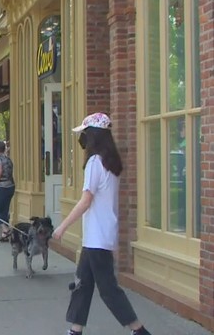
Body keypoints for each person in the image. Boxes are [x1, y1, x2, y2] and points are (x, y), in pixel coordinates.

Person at [53, 113, 151, 335]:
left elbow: (86, 200)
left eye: (84, 135)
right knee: (82, 284)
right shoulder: (110, 163)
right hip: (98, 235)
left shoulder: (95, 163)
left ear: (93, 136)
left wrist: (63, 226)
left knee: (108, 289)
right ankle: (75, 330)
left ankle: (139, 330)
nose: (82, 140)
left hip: (97, 237)